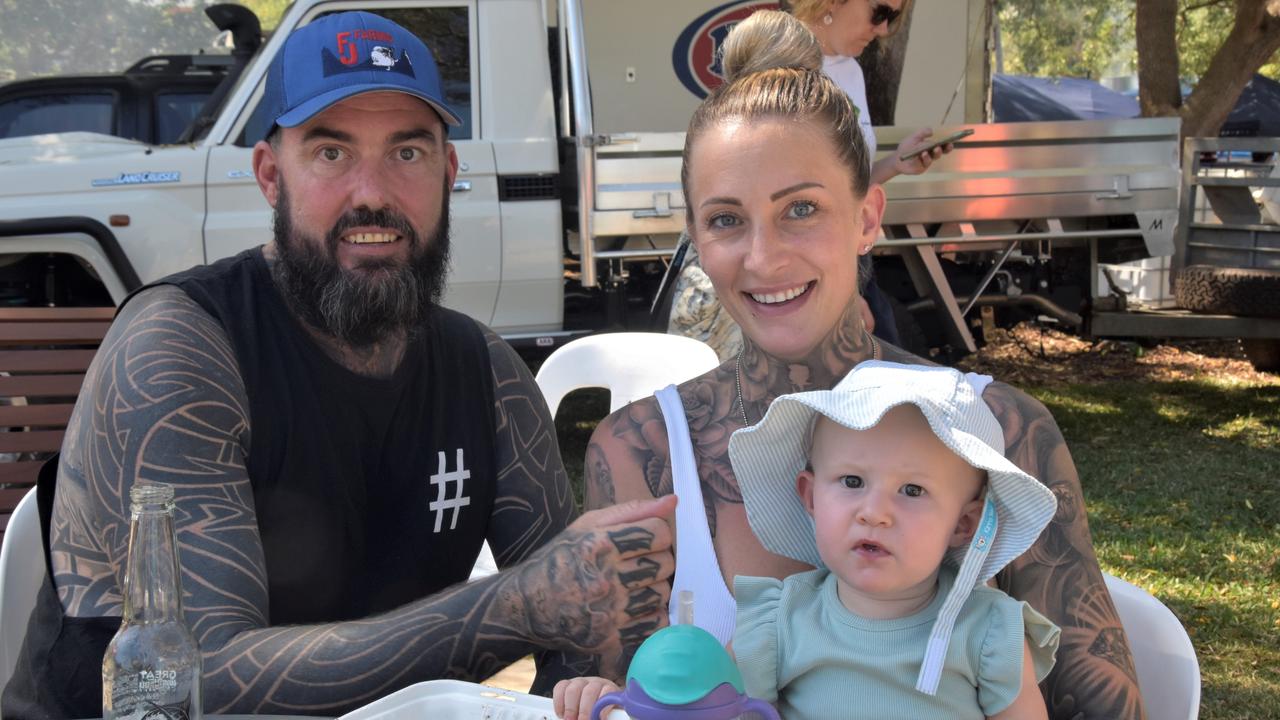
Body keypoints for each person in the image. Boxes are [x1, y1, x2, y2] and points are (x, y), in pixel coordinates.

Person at [2, 12, 675, 719]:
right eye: (331, 153)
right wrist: (514, 606)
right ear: (270, 175)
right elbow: (198, 682)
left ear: (449, 173)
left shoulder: (489, 377)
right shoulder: (179, 351)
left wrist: (596, 650)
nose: (372, 193)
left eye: (407, 154)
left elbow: (583, 620)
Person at [583, 10, 1148, 720]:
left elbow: (1107, 707)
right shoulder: (642, 451)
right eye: (727, 219)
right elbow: (612, 700)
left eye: (801, 210)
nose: (763, 258)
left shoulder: (998, 432)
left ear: (867, 217)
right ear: (694, 236)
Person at [554, 360, 1062, 720]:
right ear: (811, 496)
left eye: (913, 490)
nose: (875, 513)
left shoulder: (988, 632)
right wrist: (617, 698)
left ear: (963, 525)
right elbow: (702, 708)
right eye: (852, 482)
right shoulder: (780, 621)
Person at [668, 0, 949, 357]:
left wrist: (896, 162)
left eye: (801, 208)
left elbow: (845, 186)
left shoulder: (850, 72)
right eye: (880, 13)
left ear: (868, 217)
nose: (883, 29)